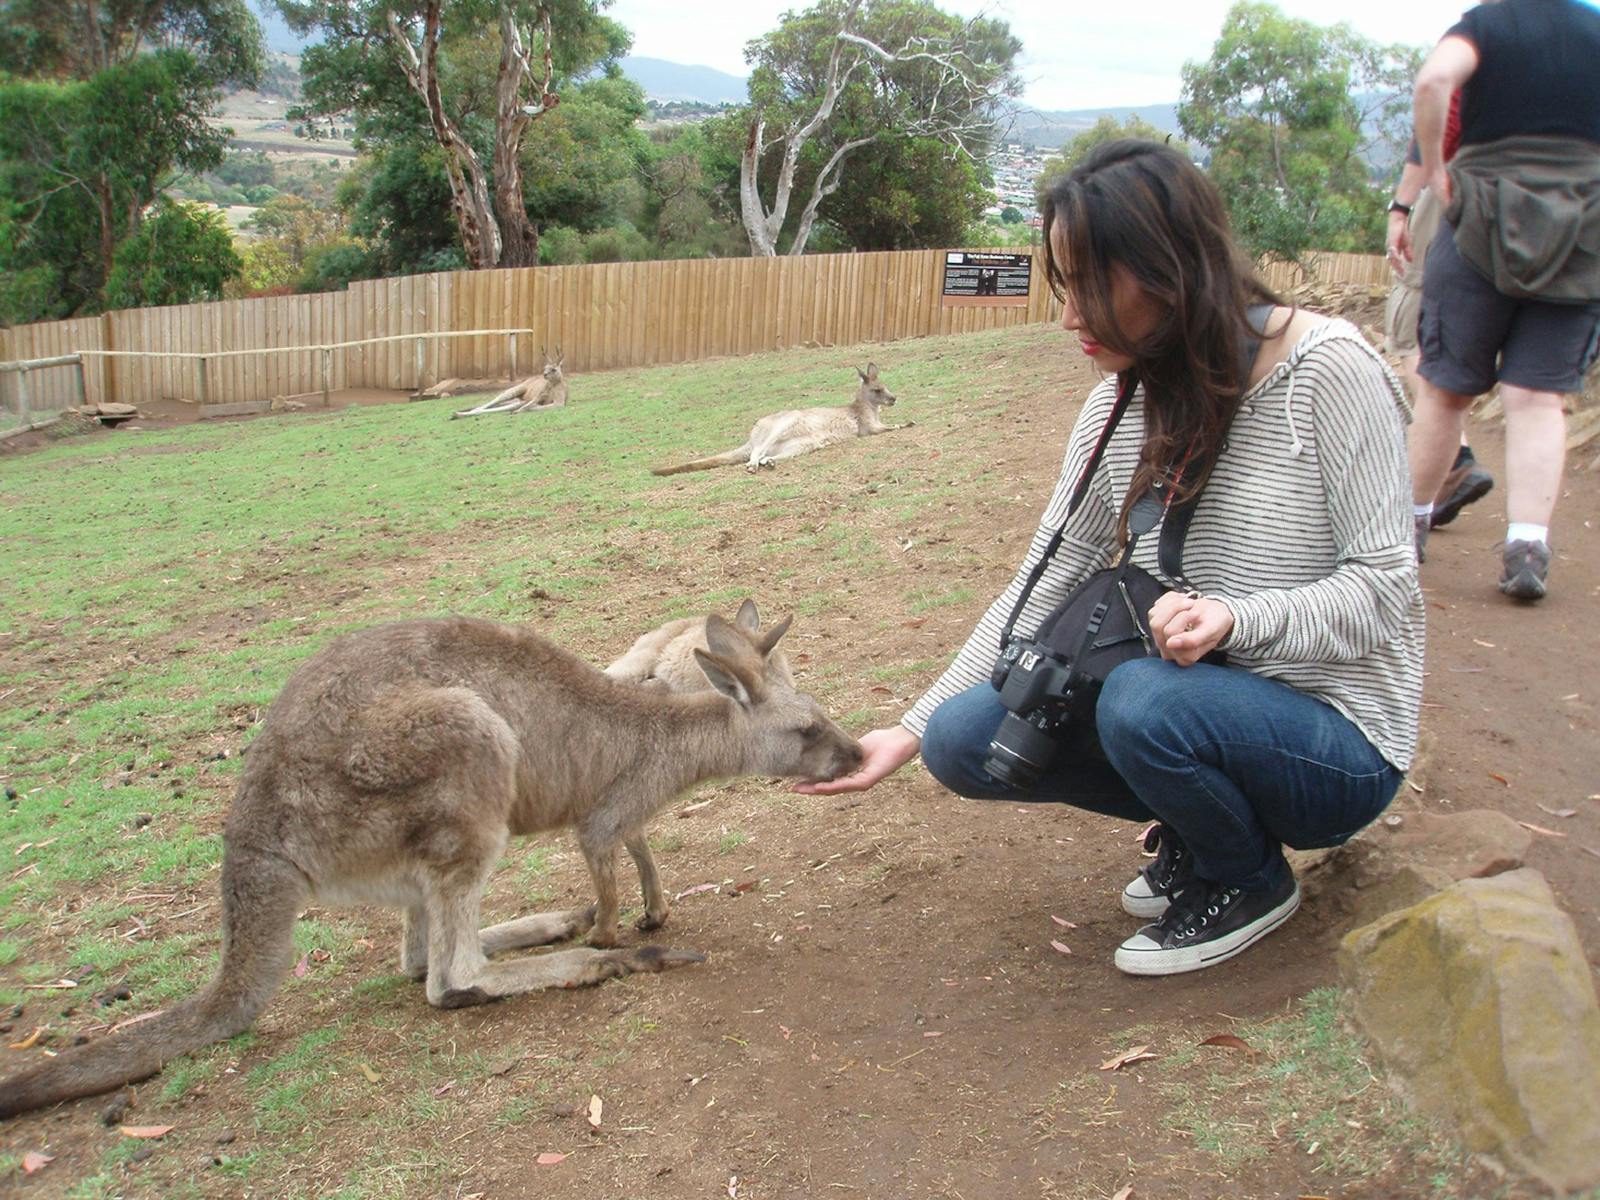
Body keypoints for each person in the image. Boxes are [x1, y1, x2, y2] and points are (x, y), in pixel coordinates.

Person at [797, 139, 1424, 978]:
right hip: (1195, 697)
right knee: (965, 739)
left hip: (1338, 741)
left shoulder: (1328, 371)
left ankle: (1247, 877)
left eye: (1090, 285)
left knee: (1142, 700)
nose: (1068, 317)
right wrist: (909, 728)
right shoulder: (1118, 403)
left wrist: (1243, 617)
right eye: (1064, 286)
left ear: (1168, 270)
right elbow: (1048, 572)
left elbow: (1389, 593)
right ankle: (1205, 827)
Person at [1404, 0, 1600, 600]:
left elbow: (1436, 78)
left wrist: (1437, 169)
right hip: (1583, 227)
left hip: (1480, 220)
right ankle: (1527, 545)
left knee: (1444, 389)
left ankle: (1404, 533)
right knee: (1539, 397)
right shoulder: (1595, 29)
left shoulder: (1487, 24)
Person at [1384, 100, 1495, 559]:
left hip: (1455, 184)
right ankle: (1528, 541)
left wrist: (1400, 207)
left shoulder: (1478, 42)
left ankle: (1457, 461)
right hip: (1541, 209)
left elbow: (1437, 117)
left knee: (1411, 324)